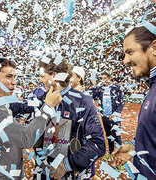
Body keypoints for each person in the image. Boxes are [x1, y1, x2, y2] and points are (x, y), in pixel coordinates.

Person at [0, 56, 62, 179]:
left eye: (14, 77)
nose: (14, 82)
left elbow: (21, 107)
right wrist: (48, 107)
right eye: (9, 76)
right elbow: (25, 139)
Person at [34, 55, 105, 179]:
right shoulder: (40, 100)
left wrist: (66, 165)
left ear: (55, 75)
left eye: (42, 76)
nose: (40, 81)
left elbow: (97, 144)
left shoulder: (83, 101)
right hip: (43, 173)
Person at [112, 21, 156, 179]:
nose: (125, 61)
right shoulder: (152, 87)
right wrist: (134, 147)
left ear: (154, 47)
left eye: (130, 52)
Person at [92, 72, 125, 160]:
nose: (104, 80)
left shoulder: (117, 88)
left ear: (110, 78)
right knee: (108, 135)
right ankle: (110, 153)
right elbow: (95, 97)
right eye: (102, 78)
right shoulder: (101, 89)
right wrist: (95, 86)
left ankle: (120, 157)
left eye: (105, 78)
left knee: (117, 136)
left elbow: (122, 102)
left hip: (115, 116)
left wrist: (115, 113)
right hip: (105, 117)